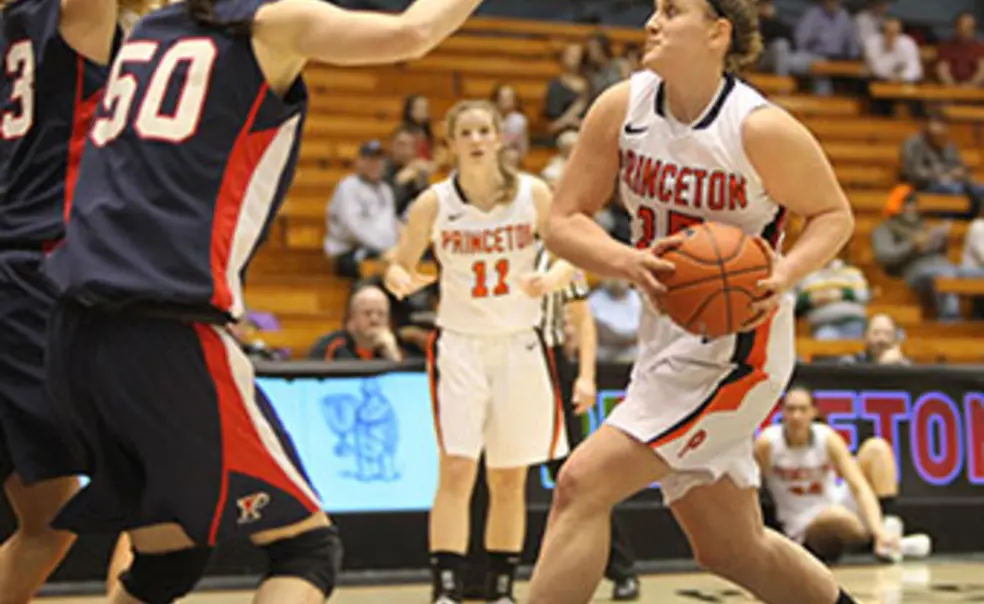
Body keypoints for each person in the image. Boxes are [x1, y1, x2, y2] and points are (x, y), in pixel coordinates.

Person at [41, 0, 486, 602]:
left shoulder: (149, 31)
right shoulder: (270, 24)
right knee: (304, 549)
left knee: (165, 566)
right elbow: (414, 32)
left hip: (74, 333)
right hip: (166, 329)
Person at [526, 0, 862, 602]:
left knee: (582, 482)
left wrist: (785, 272)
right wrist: (626, 260)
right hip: (665, 341)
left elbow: (834, 214)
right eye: (653, 9)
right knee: (731, 549)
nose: (652, 21)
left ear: (717, 32)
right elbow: (562, 220)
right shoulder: (621, 108)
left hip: (737, 351)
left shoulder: (758, 128)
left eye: (672, 10)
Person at [384, 100, 570, 604]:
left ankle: (502, 589)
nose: (476, 139)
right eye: (465, 131)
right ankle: (445, 589)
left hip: (520, 344)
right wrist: (404, 280)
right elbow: (396, 266)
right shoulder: (433, 203)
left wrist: (551, 277)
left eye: (484, 129)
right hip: (461, 346)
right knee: (458, 469)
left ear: (499, 137)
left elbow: (569, 254)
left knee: (509, 478)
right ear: (450, 143)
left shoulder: (533, 193)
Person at [0, 0, 143, 600]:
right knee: (155, 482)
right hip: (40, 272)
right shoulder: (72, 20)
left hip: (21, 276)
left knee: (47, 524)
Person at [534, 244, 642, 601]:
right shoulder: (494, 247)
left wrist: (586, 376)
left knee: (577, 476)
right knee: (495, 476)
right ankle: (484, 579)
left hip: (551, 369)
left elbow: (583, 322)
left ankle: (623, 568)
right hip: (502, 367)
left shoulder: (561, 262)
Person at [756, 387, 931, 563]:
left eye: (802, 409)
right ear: (782, 412)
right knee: (835, 517)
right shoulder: (768, 443)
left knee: (877, 449)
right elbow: (753, 488)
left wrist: (878, 529)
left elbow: (858, 485)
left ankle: (886, 531)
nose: (796, 416)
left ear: (813, 412)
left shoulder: (826, 437)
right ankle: (886, 542)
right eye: (791, 409)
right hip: (802, 523)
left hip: (835, 501)